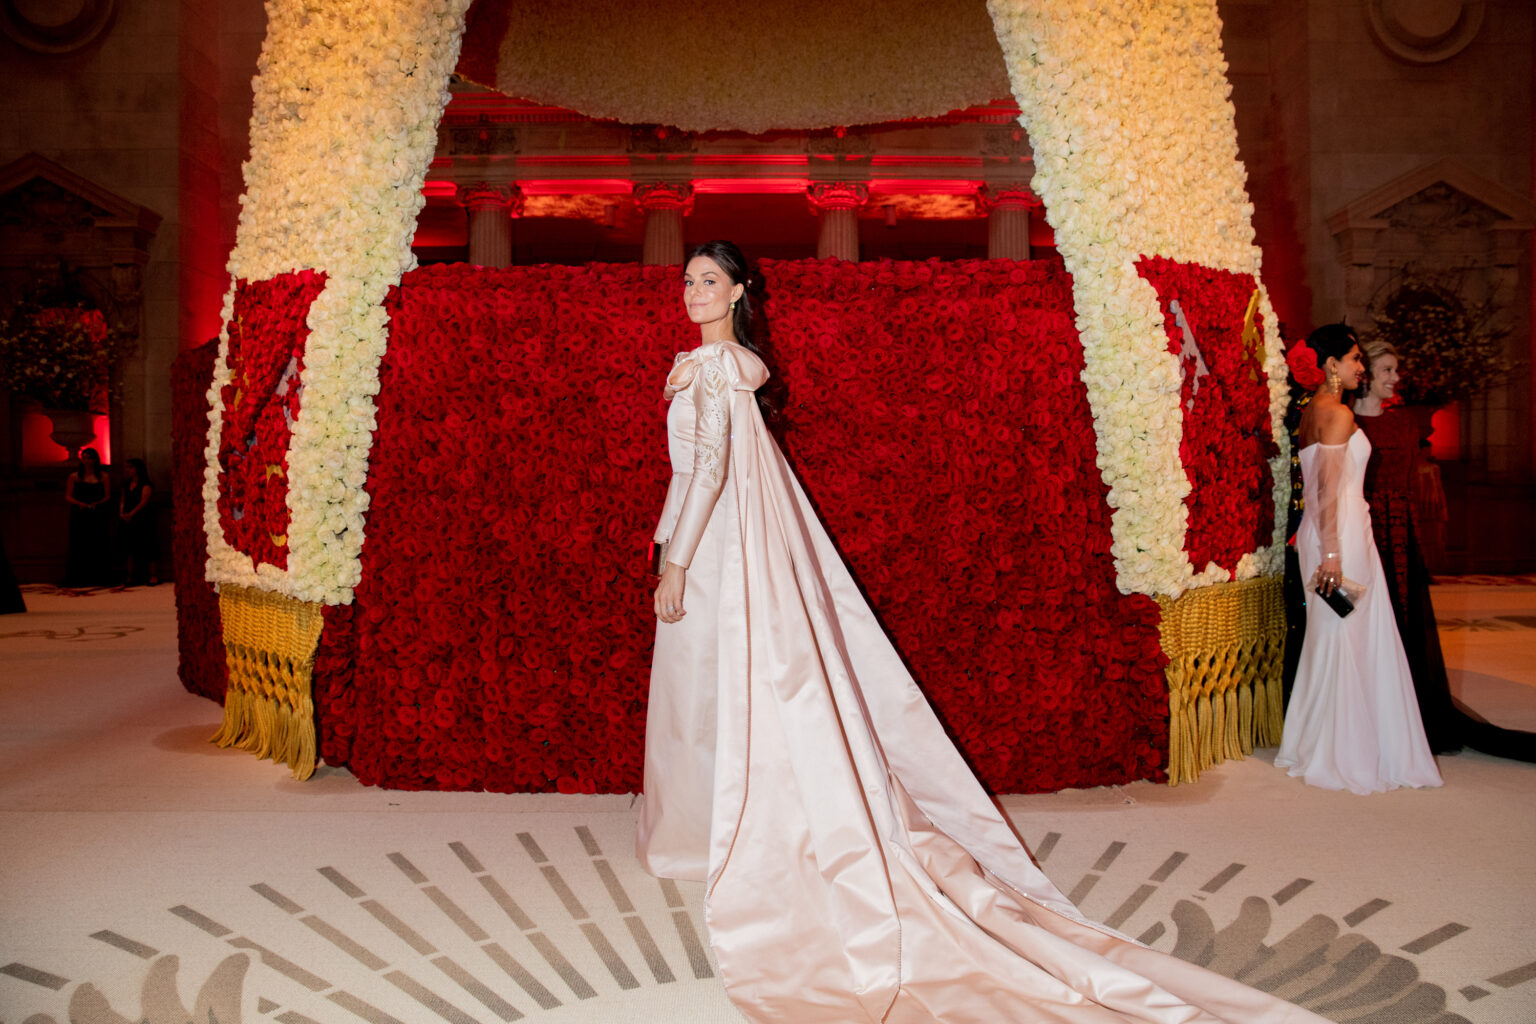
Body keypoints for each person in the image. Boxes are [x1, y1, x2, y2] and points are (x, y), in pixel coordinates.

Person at [638, 239, 1328, 1023]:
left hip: (721, 550)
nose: (694, 292)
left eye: (709, 281)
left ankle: (718, 832)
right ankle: (704, 826)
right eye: (689, 280)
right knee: (712, 683)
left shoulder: (719, 371)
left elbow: (713, 475)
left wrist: (680, 562)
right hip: (715, 543)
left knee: (717, 685)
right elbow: (688, 475)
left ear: (737, 294)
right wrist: (667, 545)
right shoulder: (707, 370)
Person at [1275, 324, 1441, 794]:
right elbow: (1326, 487)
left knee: (1332, 636)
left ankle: (1320, 742)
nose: (1360, 368)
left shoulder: (1311, 412)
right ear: (1331, 365)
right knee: (1351, 634)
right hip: (1339, 534)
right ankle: (1346, 751)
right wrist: (1331, 551)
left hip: (1329, 533)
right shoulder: (1339, 414)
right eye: (1354, 360)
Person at [1354, 342, 1535, 761]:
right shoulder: (1344, 422)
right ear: (1365, 375)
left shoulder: (1405, 424)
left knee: (1406, 621)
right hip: (1363, 529)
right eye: (1386, 370)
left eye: (1395, 370)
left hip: (1399, 532)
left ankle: (1408, 712)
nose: (1395, 378)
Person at [64, 447, 113, 587]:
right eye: (84, 457)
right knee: (79, 543)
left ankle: (100, 576)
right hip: (79, 513)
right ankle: (78, 577)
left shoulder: (104, 476)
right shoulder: (74, 476)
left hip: (97, 513)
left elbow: (107, 495)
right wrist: (80, 503)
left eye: (90, 457)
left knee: (98, 542)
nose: (87, 461)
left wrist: (96, 504)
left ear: (95, 459)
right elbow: (68, 496)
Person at [118, 457, 160, 586]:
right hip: (128, 517)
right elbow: (123, 500)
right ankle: (130, 575)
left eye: (131, 467)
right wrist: (121, 513)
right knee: (129, 546)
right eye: (127, 467)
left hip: (143, 517)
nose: (128, 470)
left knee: (148, 545)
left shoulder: (146, 484)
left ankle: (153, 575)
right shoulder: (126, 484)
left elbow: (144, 501)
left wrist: (132, 513)